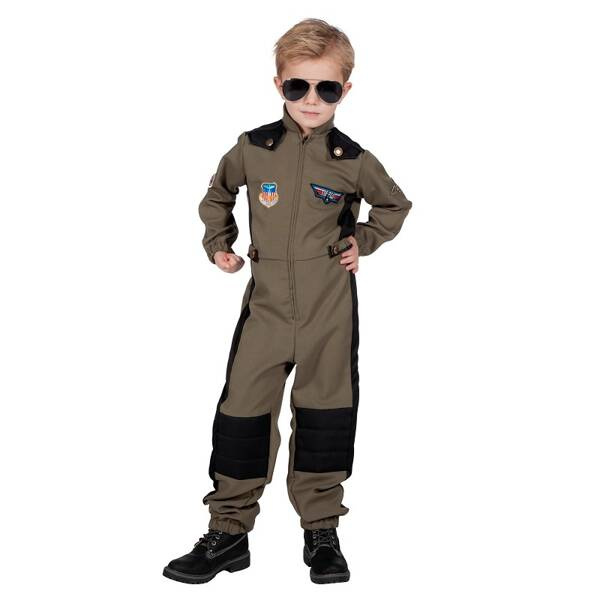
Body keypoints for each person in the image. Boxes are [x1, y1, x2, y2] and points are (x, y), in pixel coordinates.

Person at [163, 17, 413, 585]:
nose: (311, 99)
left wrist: (362, 240)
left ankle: (321, 532)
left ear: (345, 90)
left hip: (329, 309)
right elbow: (217, 195)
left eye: (327, 88)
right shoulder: (253, 149)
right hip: (267, 309)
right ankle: (228, 532)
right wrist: (218, 244)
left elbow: (394, 206)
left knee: (325, 416)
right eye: (298, 86)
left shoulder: (353, 159)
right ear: (279, 84)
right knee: (242, 415)